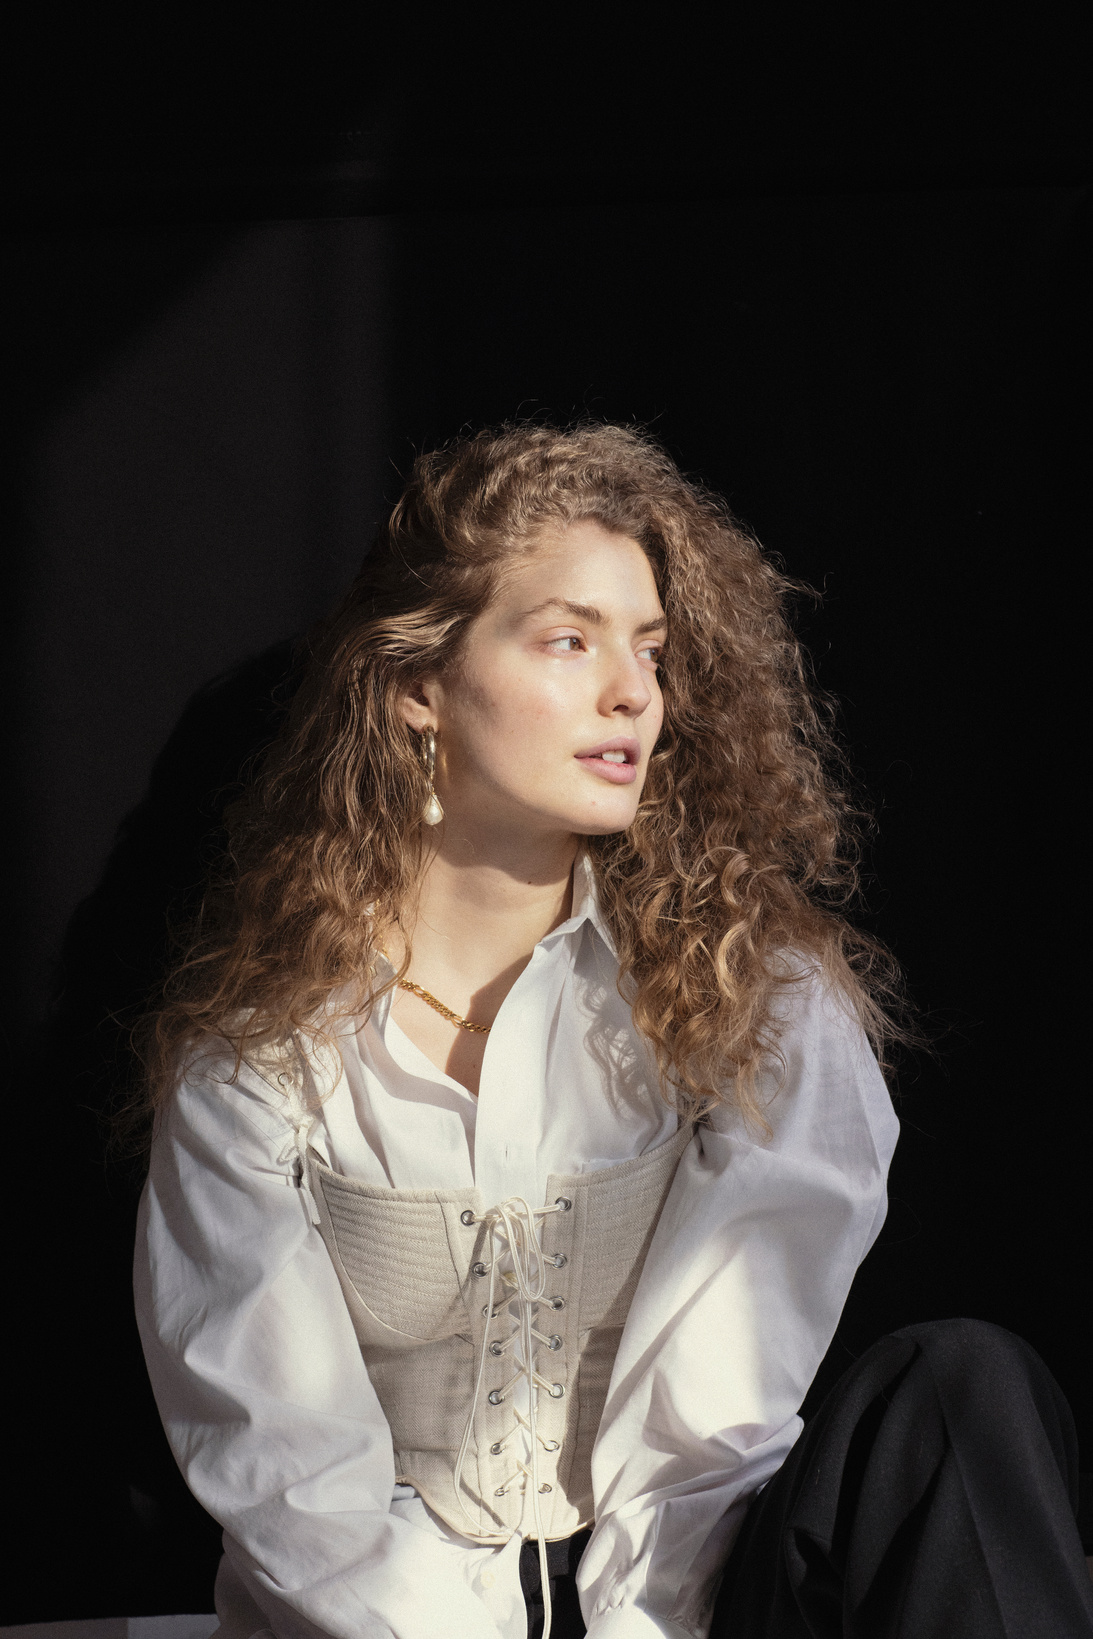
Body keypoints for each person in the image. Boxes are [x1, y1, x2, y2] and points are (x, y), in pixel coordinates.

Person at [133, 424, 1093, 1639]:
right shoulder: (263, 1053)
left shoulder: (756, 996)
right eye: (568, 640)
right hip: (377, 1628)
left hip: (688, 1596)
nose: (632, 691)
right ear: (419, 688)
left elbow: (715, 1416)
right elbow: (284, 1470)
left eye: (648, 647)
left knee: (961, 1386)